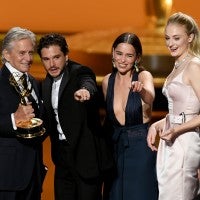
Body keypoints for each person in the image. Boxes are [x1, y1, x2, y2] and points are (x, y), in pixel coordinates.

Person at [37, 33, 109, 200]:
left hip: (86, 158)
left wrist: (86, 91)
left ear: (66, 56)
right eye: (46, 59)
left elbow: (88, 82)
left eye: (56, 57)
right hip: (62, 161)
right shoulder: (46, 84)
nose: (52, 64)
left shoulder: (79, 72)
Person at [147, 12, 200, 200]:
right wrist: (159, 123)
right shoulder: (178, 64)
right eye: (167, 38)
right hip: (172, 139)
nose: (171, 43)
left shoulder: (194, 66)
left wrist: (178, 129)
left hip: (185, 141)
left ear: (190, 37)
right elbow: (180, 110)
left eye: (176, 38)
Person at [101, 32, 158, 200]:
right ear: (113, 53)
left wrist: (141, 90)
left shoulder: (143, 76)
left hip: (141, 149)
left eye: (129, 55)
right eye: (119, 54)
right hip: (115, 151)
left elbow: (150, 97)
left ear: (137, 58)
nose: (123, 60)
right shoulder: (107, 81)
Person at [0, 27, 46, 199]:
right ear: (6, 54)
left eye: (30, 52)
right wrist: (14, 119)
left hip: (34, 174)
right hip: (6, 176)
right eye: (22, 53)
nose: (28, 58)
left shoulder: (33, 82)